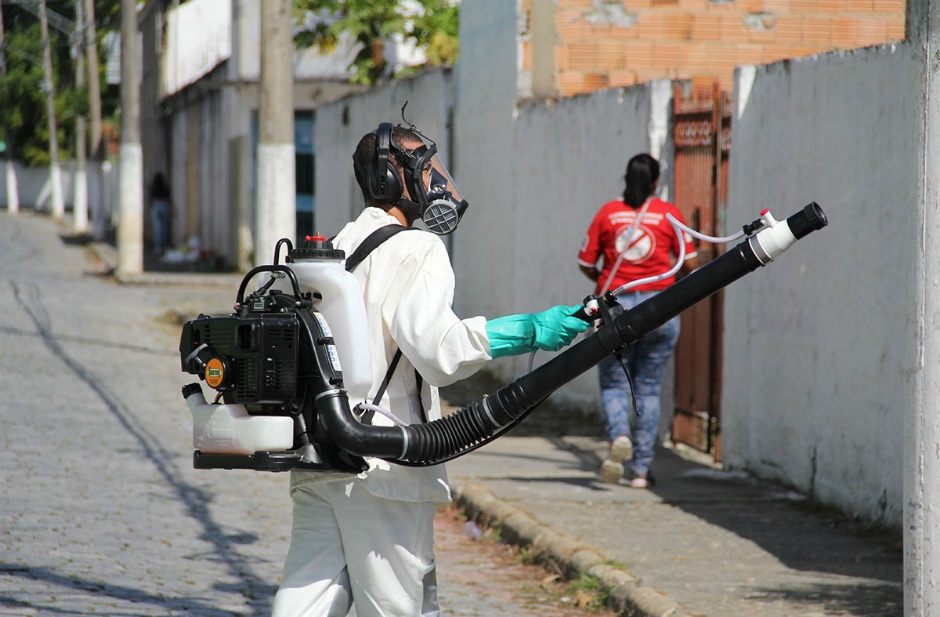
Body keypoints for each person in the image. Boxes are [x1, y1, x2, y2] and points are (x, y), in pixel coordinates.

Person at [272, 122, 590, 617]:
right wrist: (530, 330)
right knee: (398, 608)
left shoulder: (332, 249)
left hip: (320, 458)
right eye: (421, 167)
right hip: (384, 468)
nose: (435, 181)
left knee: (304, 604)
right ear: (387, 178)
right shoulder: (417, 249)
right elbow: (439, 351)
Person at [578, 153, 697, 488]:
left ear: (625, 177)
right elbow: (689, 263)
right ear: (656, 181)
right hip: (660, 309)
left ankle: (618, 436)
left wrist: (608, 276)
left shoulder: (607, 213)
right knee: (648, 388)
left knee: (615, 383)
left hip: (616, 310)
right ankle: (642, 472)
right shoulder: (668, 214)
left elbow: (586, 263)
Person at [150, 173, 170, 254]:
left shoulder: (153, 187)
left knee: (158, 228)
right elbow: (168, 197)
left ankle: (158, 247)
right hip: (164, 205)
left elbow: (151, 198)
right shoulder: (165, 187)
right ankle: (164, 246)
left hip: (156, 205)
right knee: (164, 227)